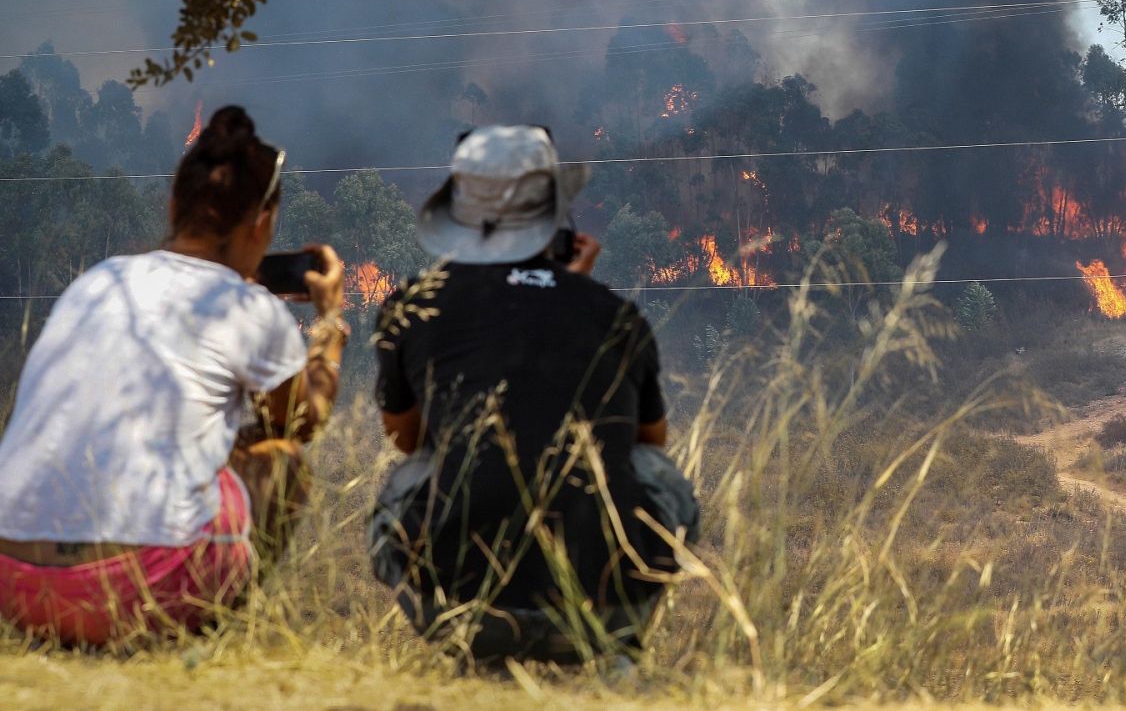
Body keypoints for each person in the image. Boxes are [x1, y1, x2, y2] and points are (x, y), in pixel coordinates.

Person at [0, 106, 348, 646]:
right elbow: (305, 420)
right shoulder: (248, 308)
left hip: (14, 583)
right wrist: (329, 327)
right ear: (261, 225)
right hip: (137, 590)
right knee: (283, 460)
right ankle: (200, 642)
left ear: (172, 207)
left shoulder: (99, 280)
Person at [368, 125, 698, 666]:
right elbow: (651, 438)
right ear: (554, 216)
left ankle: (474, 650)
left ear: (461, 213)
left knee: (414, 473)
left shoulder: (413, 308)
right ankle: (618, 652)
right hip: (599, 610)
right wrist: (573, 291)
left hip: (462, 610)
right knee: (656, 473)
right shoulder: (613, 315)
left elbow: (406, 439)